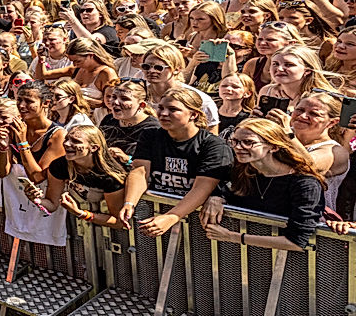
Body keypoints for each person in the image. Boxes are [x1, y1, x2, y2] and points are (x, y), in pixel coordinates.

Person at [122, 87, 234, 236]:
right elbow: (140, 171)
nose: (163, 114)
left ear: (193, 114)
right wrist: (129, 203)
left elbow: (202, 187)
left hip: (194, 217)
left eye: (173, 109)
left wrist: (171, 217)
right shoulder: (150, 134)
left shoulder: (213, 145)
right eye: (160, 108)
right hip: (156, 212)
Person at [201, 119, 325, 251]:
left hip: (291, 263)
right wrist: (216, 197)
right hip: (250, 258)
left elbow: (296, 241)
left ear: (274, 147)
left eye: (248, 142)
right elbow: (223, 187)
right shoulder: (241, 170)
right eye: (234, 141)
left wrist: (232, 237)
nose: (238, 147)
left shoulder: (305, 184)